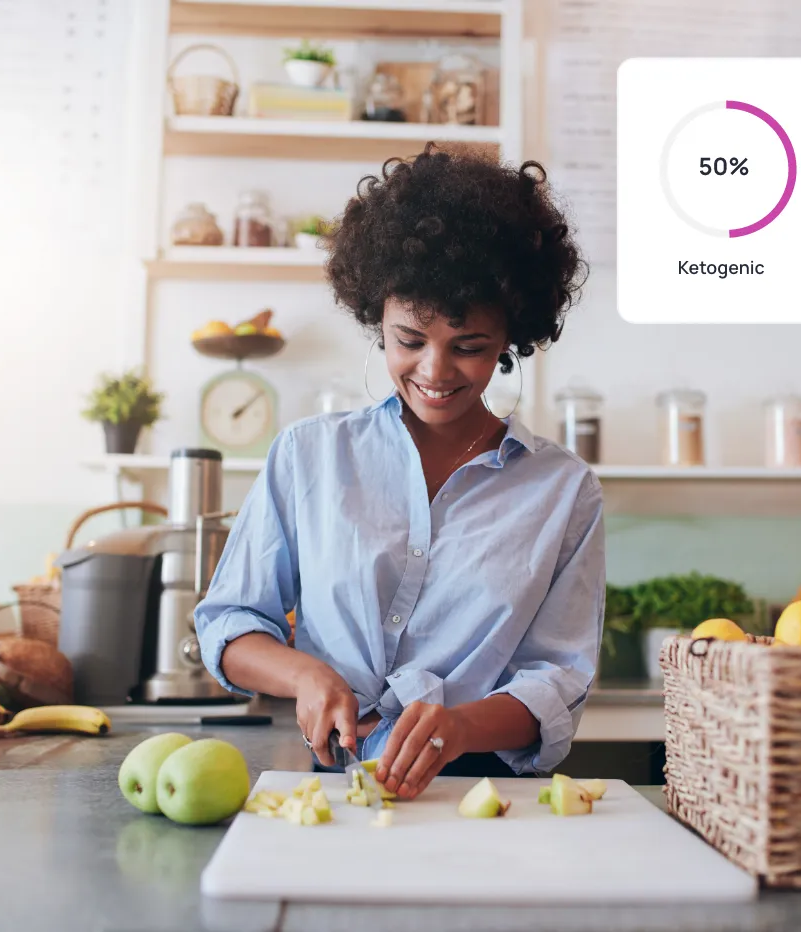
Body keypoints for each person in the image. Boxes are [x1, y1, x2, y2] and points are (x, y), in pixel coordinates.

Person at [195, 143, 604, 800]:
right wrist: (306, 675)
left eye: (469, 348)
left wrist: (462, 727)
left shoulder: (563, 492)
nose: (435, 372)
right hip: (335, 793)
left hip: (485, 797)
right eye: (408, 340)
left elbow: (557, 678)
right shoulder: (309, 456)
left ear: (510, 340)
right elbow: (231, 619)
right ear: (376, 319)